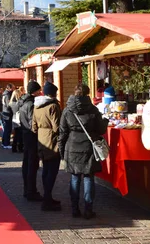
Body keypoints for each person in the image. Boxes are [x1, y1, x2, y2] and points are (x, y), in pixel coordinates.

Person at [59, 84, 109, 219]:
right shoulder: (92, 109)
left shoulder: (67, 110)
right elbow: (100, 130)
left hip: (72, 146)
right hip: (88, 146)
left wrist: (61, 150)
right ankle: (88, 209)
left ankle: (75, 209)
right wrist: (105, 121)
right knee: (88, 178)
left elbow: (62, 132)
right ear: (87, 94)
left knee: (75, 178)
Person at [32, 82, 63, 211]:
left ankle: (47, 197)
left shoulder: (37, 106)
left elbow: (33, 126)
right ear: (54, 93)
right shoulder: (53, 106)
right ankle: (47, 199)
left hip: (41, 139)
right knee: (52, 171)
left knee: (45, 170)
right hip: (52, 140)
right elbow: (57, 127)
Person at [19, 81, 42, 201]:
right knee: (32, 164)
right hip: (32, 136)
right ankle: (31, 191)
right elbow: (33, 122)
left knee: (27, 163)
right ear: (35, 91)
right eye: (39, 90)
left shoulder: (23, 102)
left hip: (25, 135)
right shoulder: (31, 104)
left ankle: (27, 189)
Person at [10, 87, 25, 152]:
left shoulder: (11, 103)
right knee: (20, 134)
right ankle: (20, 147)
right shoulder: (19, 103)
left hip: (14, 118)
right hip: (19, 118)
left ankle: (14, 147)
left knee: (16, 134)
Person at [1, 84, 15, 149]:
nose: (13, 89)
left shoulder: (5, 94)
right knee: (7, 129)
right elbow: (8, 104)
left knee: (6, 128)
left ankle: (4, 142)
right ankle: (6, 143)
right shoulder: (7, 95)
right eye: (13, 88)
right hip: (7, 113)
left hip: (5, 112)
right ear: (9, 88)